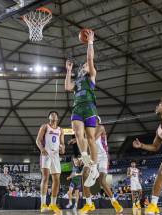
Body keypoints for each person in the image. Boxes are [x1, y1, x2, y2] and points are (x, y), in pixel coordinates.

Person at [65, 29, 99, 188]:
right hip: (77, 108)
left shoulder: (91, 75)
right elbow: (67, 86)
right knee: (79, 135)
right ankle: (86, 160)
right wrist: (69, 71)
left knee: (91, 138)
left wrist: (90, 42)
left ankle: (94, 167)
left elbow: (89, 58)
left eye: (86, 65)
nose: (85, 65)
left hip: (90, 107)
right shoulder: (77, 82)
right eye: (84, 65)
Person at [79, 117, 123, 214]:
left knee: (102, 181)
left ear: (98, 121)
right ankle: (89, 203)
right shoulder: (87, 132)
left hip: (103, 156)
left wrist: (82, 140)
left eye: (94, 120)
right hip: (92, 156)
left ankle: (114, 202)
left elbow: (92, 139)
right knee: (84, 174)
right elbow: (85, 149)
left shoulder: (100, 127)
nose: (91, 122)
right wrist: (84, 159)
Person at [36, 111, 65, 214]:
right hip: (46, 154)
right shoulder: (45, 126)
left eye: (55, 114)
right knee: (45, 178)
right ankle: (43, 205)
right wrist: (41, 149)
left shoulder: (61, 130)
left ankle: (53, 204)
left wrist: (62, 149)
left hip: (56, 155)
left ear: (57, 118)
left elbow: (62, 144)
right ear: (49, 117)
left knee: (57, 180)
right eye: (51, 114)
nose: (53, 115)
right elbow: (38, 140)